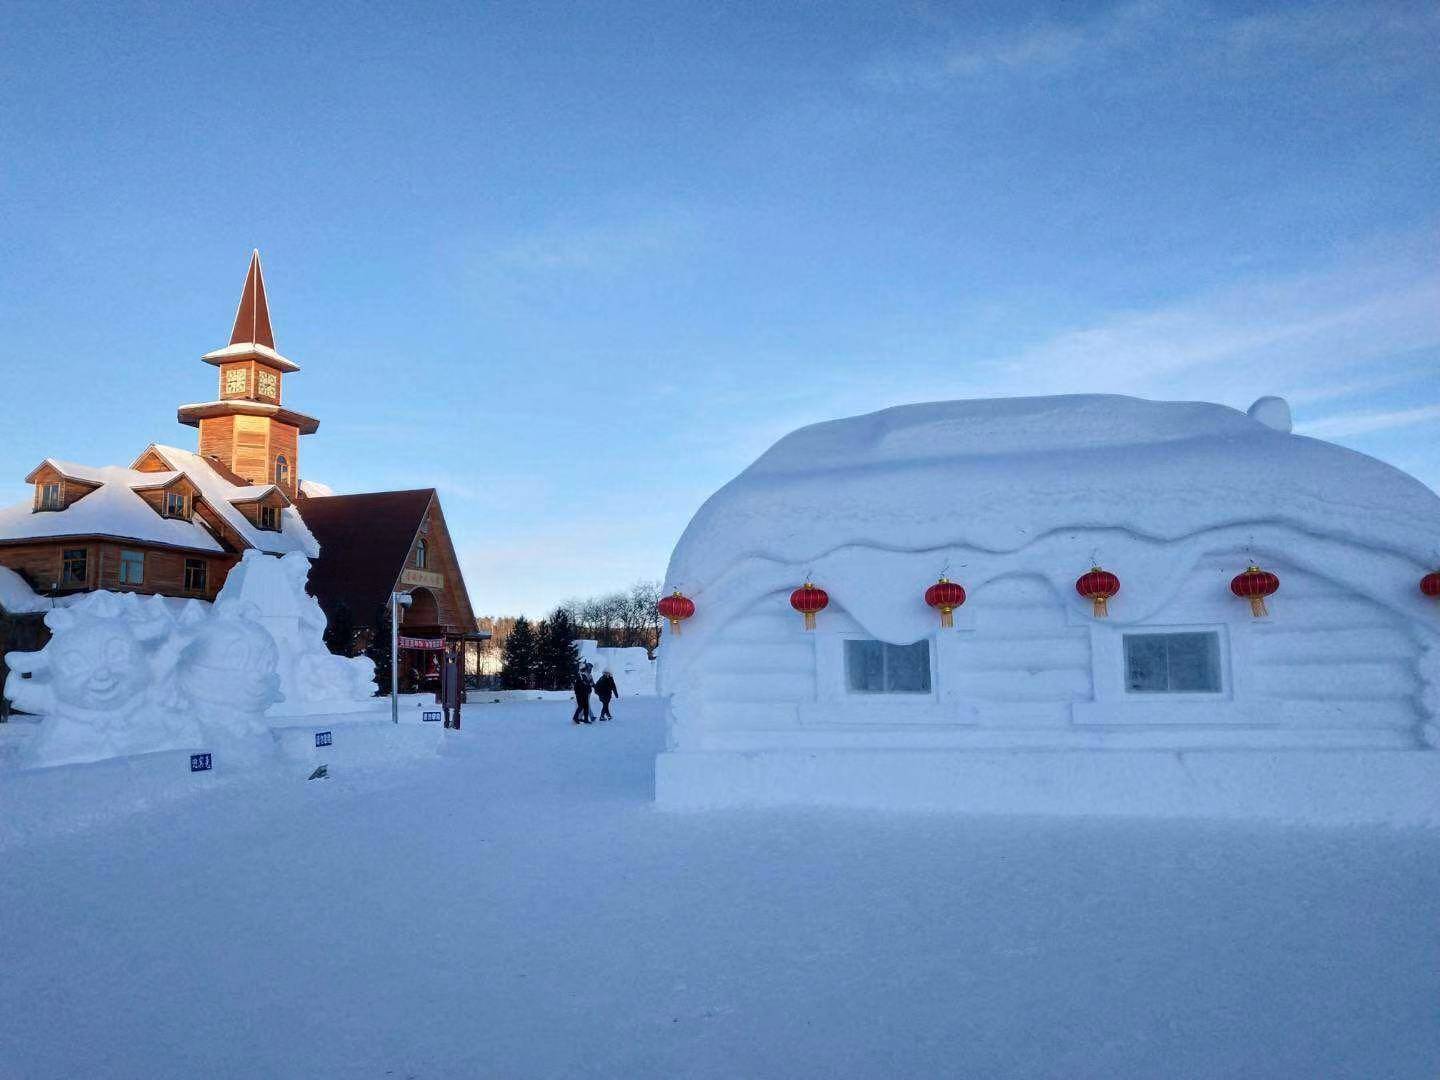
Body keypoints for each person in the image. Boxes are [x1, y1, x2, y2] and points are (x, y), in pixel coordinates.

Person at [439, 642, 464, 730]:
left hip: (453, 690)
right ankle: (447, 722)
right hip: (448, 691)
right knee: (447, 707)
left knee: (455, 707)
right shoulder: (447, 667)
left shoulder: (456, 667)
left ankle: (453, 723)